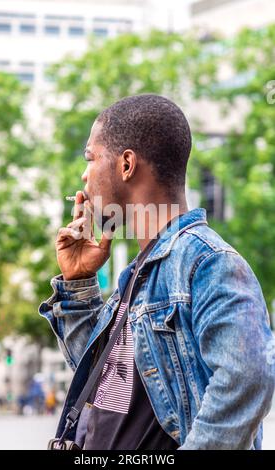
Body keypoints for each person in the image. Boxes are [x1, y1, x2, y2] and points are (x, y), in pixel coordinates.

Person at [39, 94, 275, 450]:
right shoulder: (137, 277)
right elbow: (106, 389)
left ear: (127, 165)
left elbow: (248, 378)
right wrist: (78, 283)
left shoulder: (207, 262)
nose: (85, 174)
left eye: (91, 158)